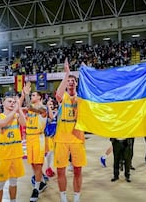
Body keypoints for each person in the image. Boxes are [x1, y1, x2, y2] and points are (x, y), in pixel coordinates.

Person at [55, 58, 86, 202]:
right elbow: (58, 94)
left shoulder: (82, 99)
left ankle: (76, 198)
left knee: (78, 170)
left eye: (74, 80)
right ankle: (63, 198)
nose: (71, 82)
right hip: (61, 139)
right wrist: (67, 74)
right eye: (69, 81)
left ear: (77, 84)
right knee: (60, 170)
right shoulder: (63, 97)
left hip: (77, 138)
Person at [0, 96, 26, 202]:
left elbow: (24, 123)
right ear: (3, 103)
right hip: (3, 156)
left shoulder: (16, 115)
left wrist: (19, 109)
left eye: (13, 101)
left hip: (15, 155)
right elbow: (3, 123)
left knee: (14, 183)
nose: (12, 103)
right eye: (9, 101)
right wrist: (15, 110)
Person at [23, 82, 48, 201]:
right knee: (33, 164)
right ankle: (42, 181)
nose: (32, 97)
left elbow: (29, 106)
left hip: (38, 138)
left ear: (39, 97)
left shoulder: (43, 109)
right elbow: (23, 107)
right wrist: (23, 95)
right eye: (31, 95)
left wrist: (26, 95)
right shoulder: (30, 110)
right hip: (29, 138)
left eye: (33, 95)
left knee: (38, 165)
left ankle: (36, 189)